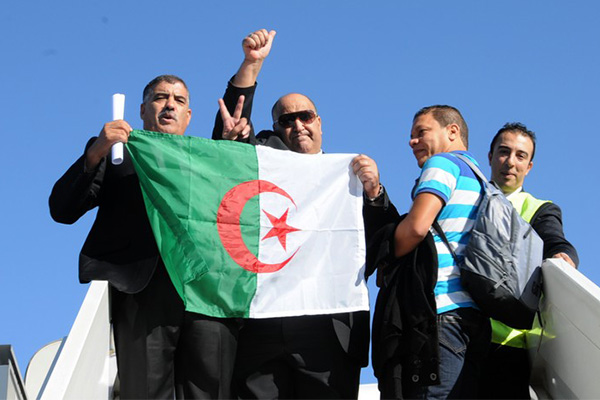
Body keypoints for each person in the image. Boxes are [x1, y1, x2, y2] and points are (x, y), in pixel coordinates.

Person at [212, 29, 387, 399]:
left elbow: (384, 243)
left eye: (304, 116)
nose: (297, 126)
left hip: (328, 327)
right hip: (261, 322)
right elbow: (230, 135)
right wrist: (251, 65)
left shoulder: (350, 179)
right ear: (275, 129)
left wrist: (374, 194)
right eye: (286, 120)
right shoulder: (260, 165)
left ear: (320, 122)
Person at [49, 75, 240, 399]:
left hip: (207, 292)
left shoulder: (209, 160)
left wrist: (231, 148)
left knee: (211, 390)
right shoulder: (117, 153)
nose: (169, 105)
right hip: (143, 290)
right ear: (142, 109)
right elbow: (62, 209)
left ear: (189, 115)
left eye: (179, 100)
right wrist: (95, 152)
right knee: (146, 391)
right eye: (160, 97)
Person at [388, 105, 491, 399]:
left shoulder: (442, 164)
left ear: (452, 131)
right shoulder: (481, 180)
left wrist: (386, 249)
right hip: (475, 318)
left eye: (421, 132)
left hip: (442, 311)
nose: (412, 141)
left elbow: (416, 228)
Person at [480, 122, 579, 399]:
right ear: (490, 157)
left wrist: (563, 257)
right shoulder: (464, 198)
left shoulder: (538, 209)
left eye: (520, 155)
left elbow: (556, 241)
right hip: (455, 336)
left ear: (529, 166)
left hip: (506, 347)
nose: (510, 162)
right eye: (504, 152)